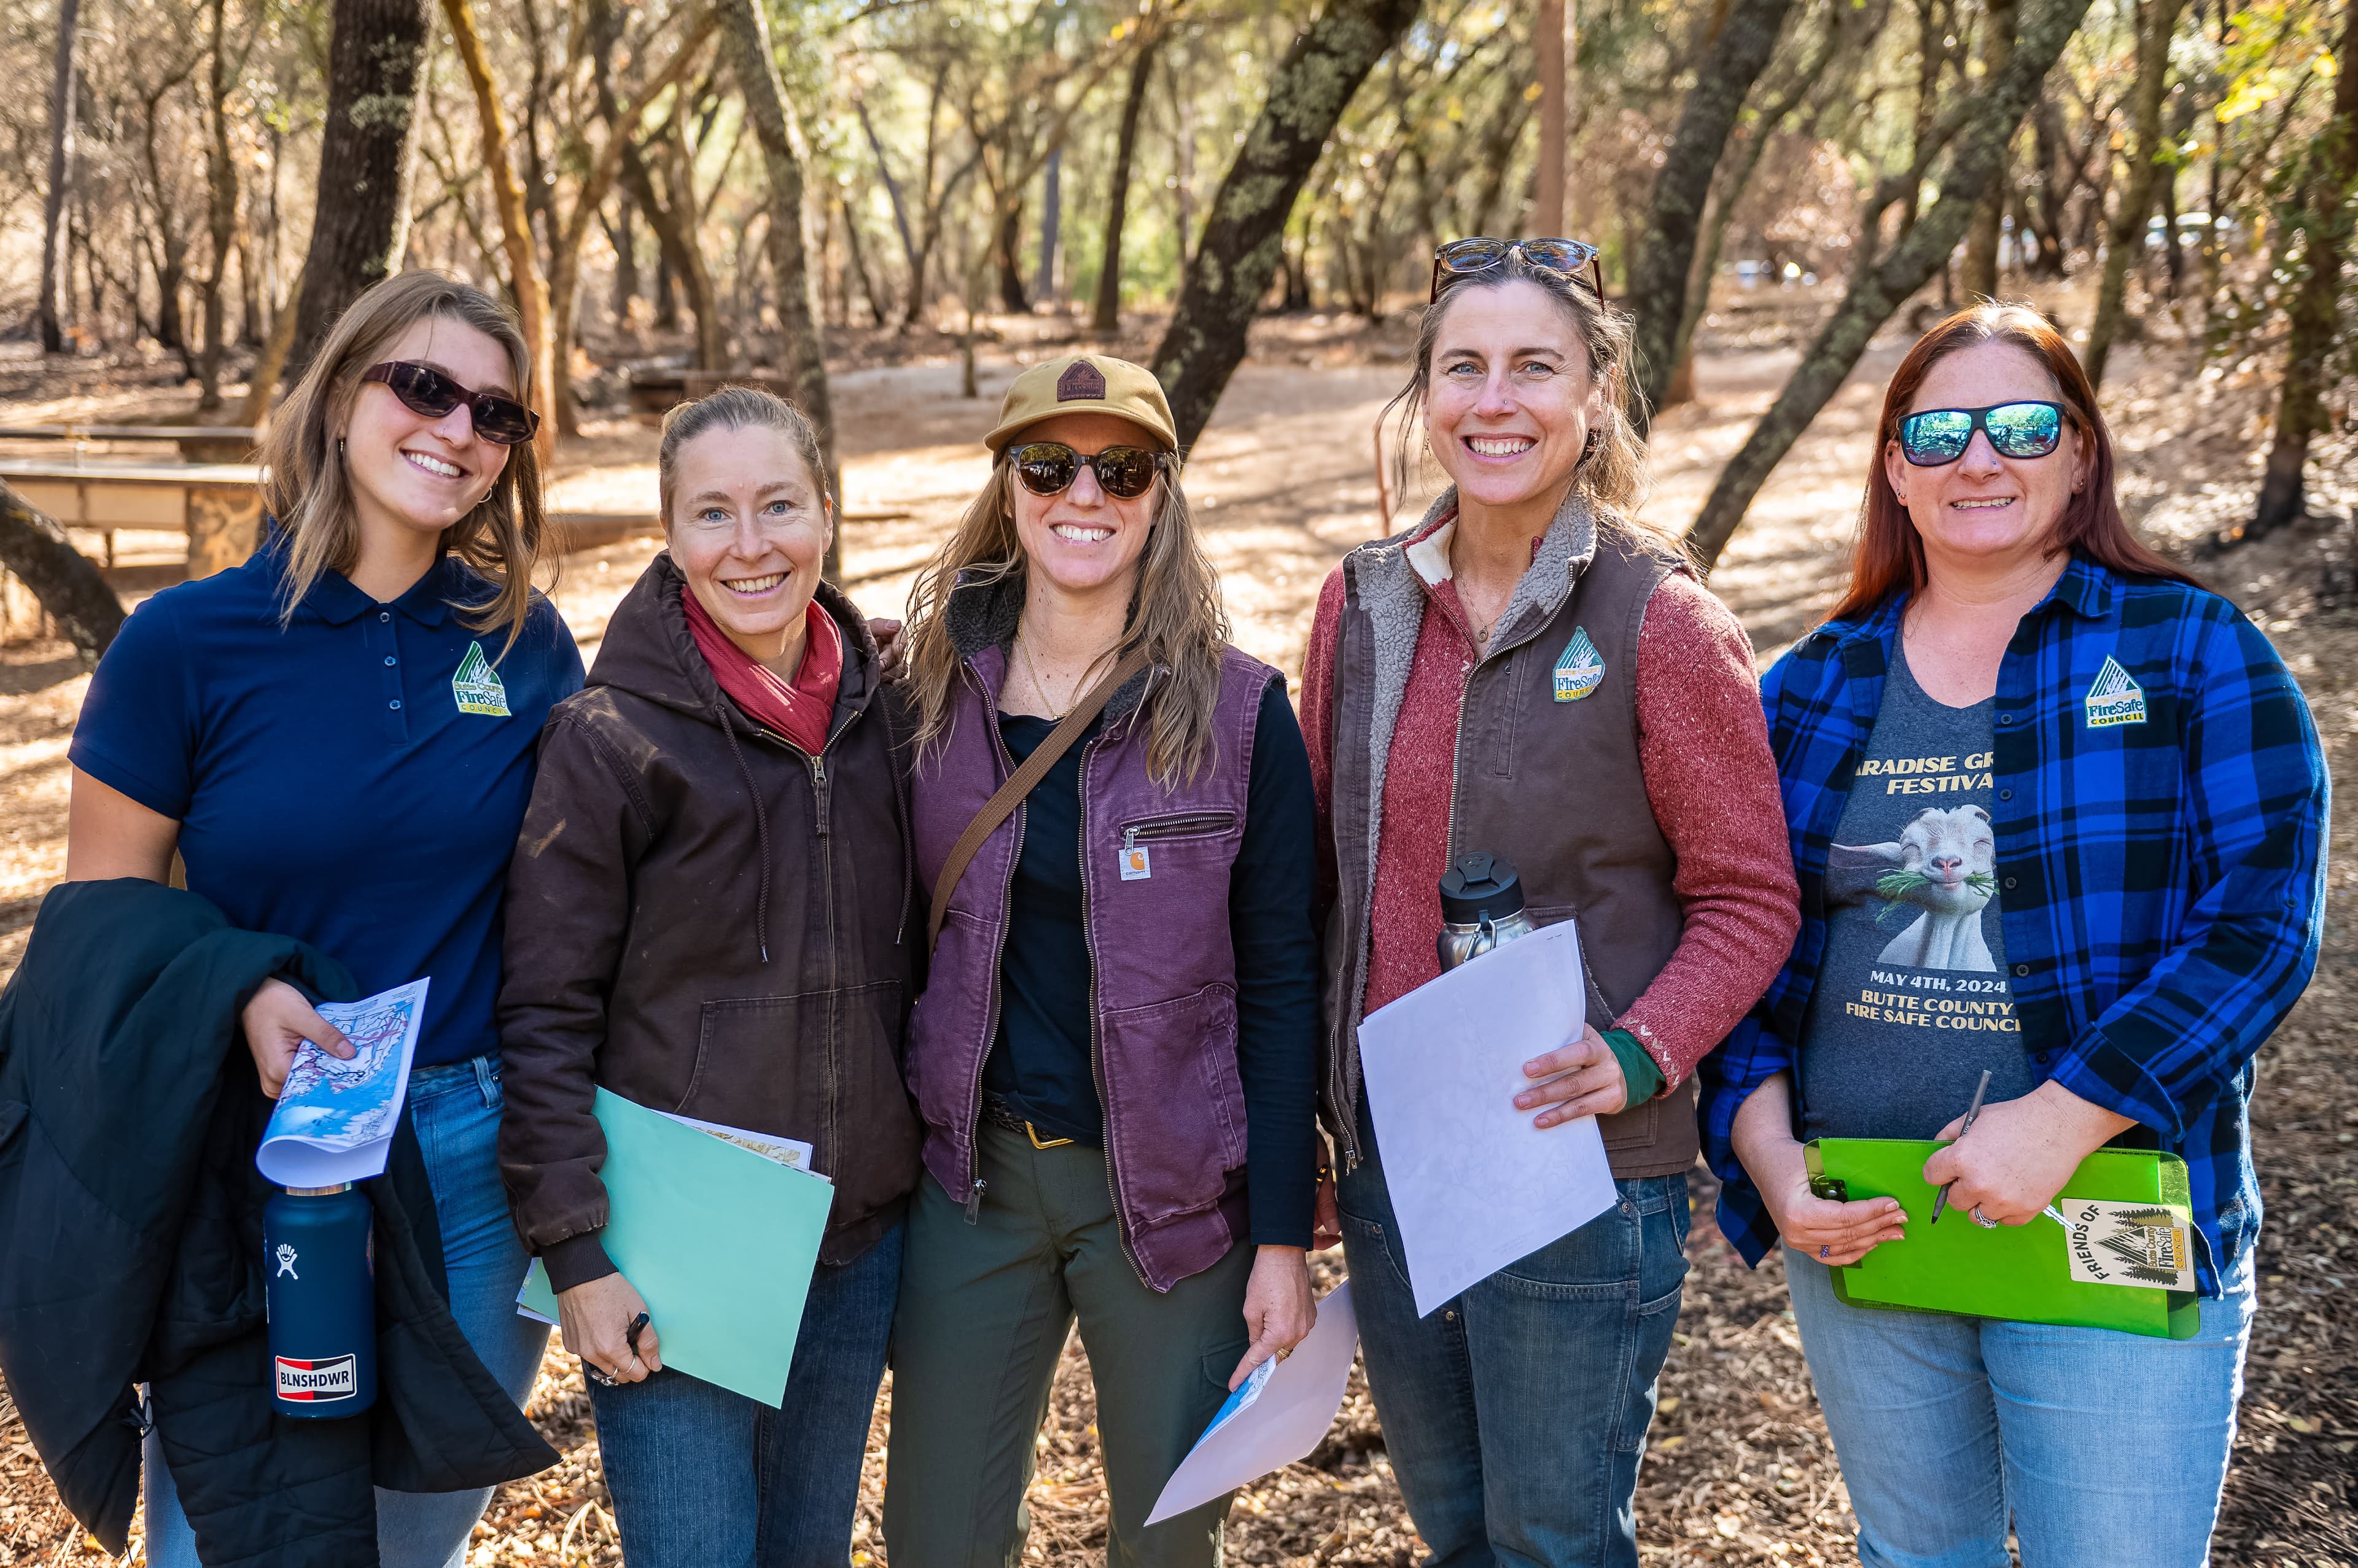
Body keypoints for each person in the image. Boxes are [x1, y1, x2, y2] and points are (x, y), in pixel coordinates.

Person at [1700, 302, 2327, 1567]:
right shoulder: (1809, 686)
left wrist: (2063, 1118)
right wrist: (1770, 1164)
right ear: (1895, 469)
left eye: (2023, 425)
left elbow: (2262, 921)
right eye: (1939, 433)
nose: (1979, 458)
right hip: (1867, 1222)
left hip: (2106, 1207)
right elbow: (1738, 934)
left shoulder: (2192, 650)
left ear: (2081, 452)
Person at [64, 269, 582, 1566]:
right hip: (265, 1156)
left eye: (496, 413)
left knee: (409, 1546)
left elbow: (600, 885)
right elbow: (98, 930)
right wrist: (239, 986)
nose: (458, 429)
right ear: (342, 394)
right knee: (232, 1540)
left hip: (476, 1159)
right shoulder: (185, 643)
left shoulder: (525, 644)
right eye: (425, 386)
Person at [1299, 238, 1800, 1568]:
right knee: (1459, 1532)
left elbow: (1751, 895)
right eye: (1463, 367)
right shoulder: (1360, 604)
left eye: (1535, 366)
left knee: (1554, 1542)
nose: (1495, 400)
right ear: (1426, 394)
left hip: (1579, 1166)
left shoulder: (1663, 620)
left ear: (1597, 391)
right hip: (1395, 1159)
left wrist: (1639, 1049)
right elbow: (1319, 881)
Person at [882, 355, 1321, 1568]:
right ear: (1007, 488)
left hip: (1174, 1203)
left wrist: (1283, 1236)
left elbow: (1283, 983)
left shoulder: (1239, 714)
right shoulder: (924, 694)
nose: (1085, 494)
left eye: (1120, 469)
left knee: (1167, 1544)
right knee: (937, 1540)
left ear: (1161, 493)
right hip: (973, 1186)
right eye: (1049, 465)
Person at [496, 387, 920, 1568]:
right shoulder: (609, 739)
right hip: (675, 1249)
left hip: (851, 1238)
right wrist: (576, 1251)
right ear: (671, 536)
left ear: (825, 513)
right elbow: (544, 1012)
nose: (751, 544)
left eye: (779, 505)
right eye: (713, 513)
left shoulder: (891, 713)